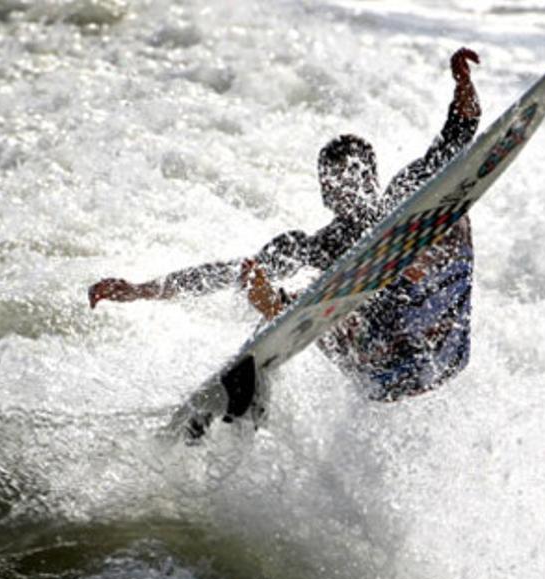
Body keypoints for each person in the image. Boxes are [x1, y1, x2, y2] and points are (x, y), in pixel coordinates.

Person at [89, 48, 482, 402]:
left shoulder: (401, 200)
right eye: (336, 183)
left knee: (424, 186)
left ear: (371, 181)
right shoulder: (321, 246)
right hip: (382, 372)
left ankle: (403, 278)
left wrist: (463, 88)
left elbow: (458, 135)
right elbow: (228, 273)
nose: (347, 190)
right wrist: (143, 290)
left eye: (355, 178)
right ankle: (279, 307)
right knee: (277, 277)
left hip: (443, 347)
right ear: (325, 194)